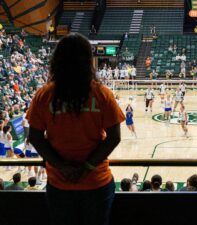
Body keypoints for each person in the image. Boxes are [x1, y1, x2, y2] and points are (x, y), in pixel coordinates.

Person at [27, 34, 125, 225]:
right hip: (96, 182)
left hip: (59, 183)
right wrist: (87, 167)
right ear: (88, 60)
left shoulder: (43, 95)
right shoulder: (102, 94)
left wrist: (62, 167)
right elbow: (114, 137)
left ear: (57, 60)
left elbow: (35, 137)